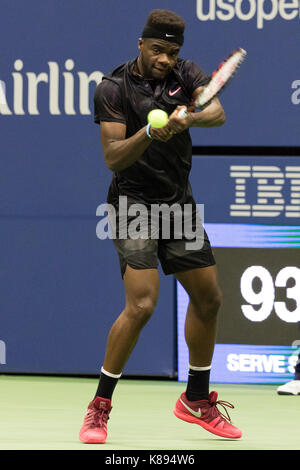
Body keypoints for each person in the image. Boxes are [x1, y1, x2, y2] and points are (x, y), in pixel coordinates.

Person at [79, 9, 242, 444]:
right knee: (143, 304)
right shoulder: (113, 88)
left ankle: (196, 399)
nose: (165, 59)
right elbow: (113, 156)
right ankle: (99, 407)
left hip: (177, 203)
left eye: (172, 52)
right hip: (133, 204)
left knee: (209, 298)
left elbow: (218, 111)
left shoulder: (187, 74)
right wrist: (152, 134)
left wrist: (187, 119)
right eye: (158, 50)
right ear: (140, 44)